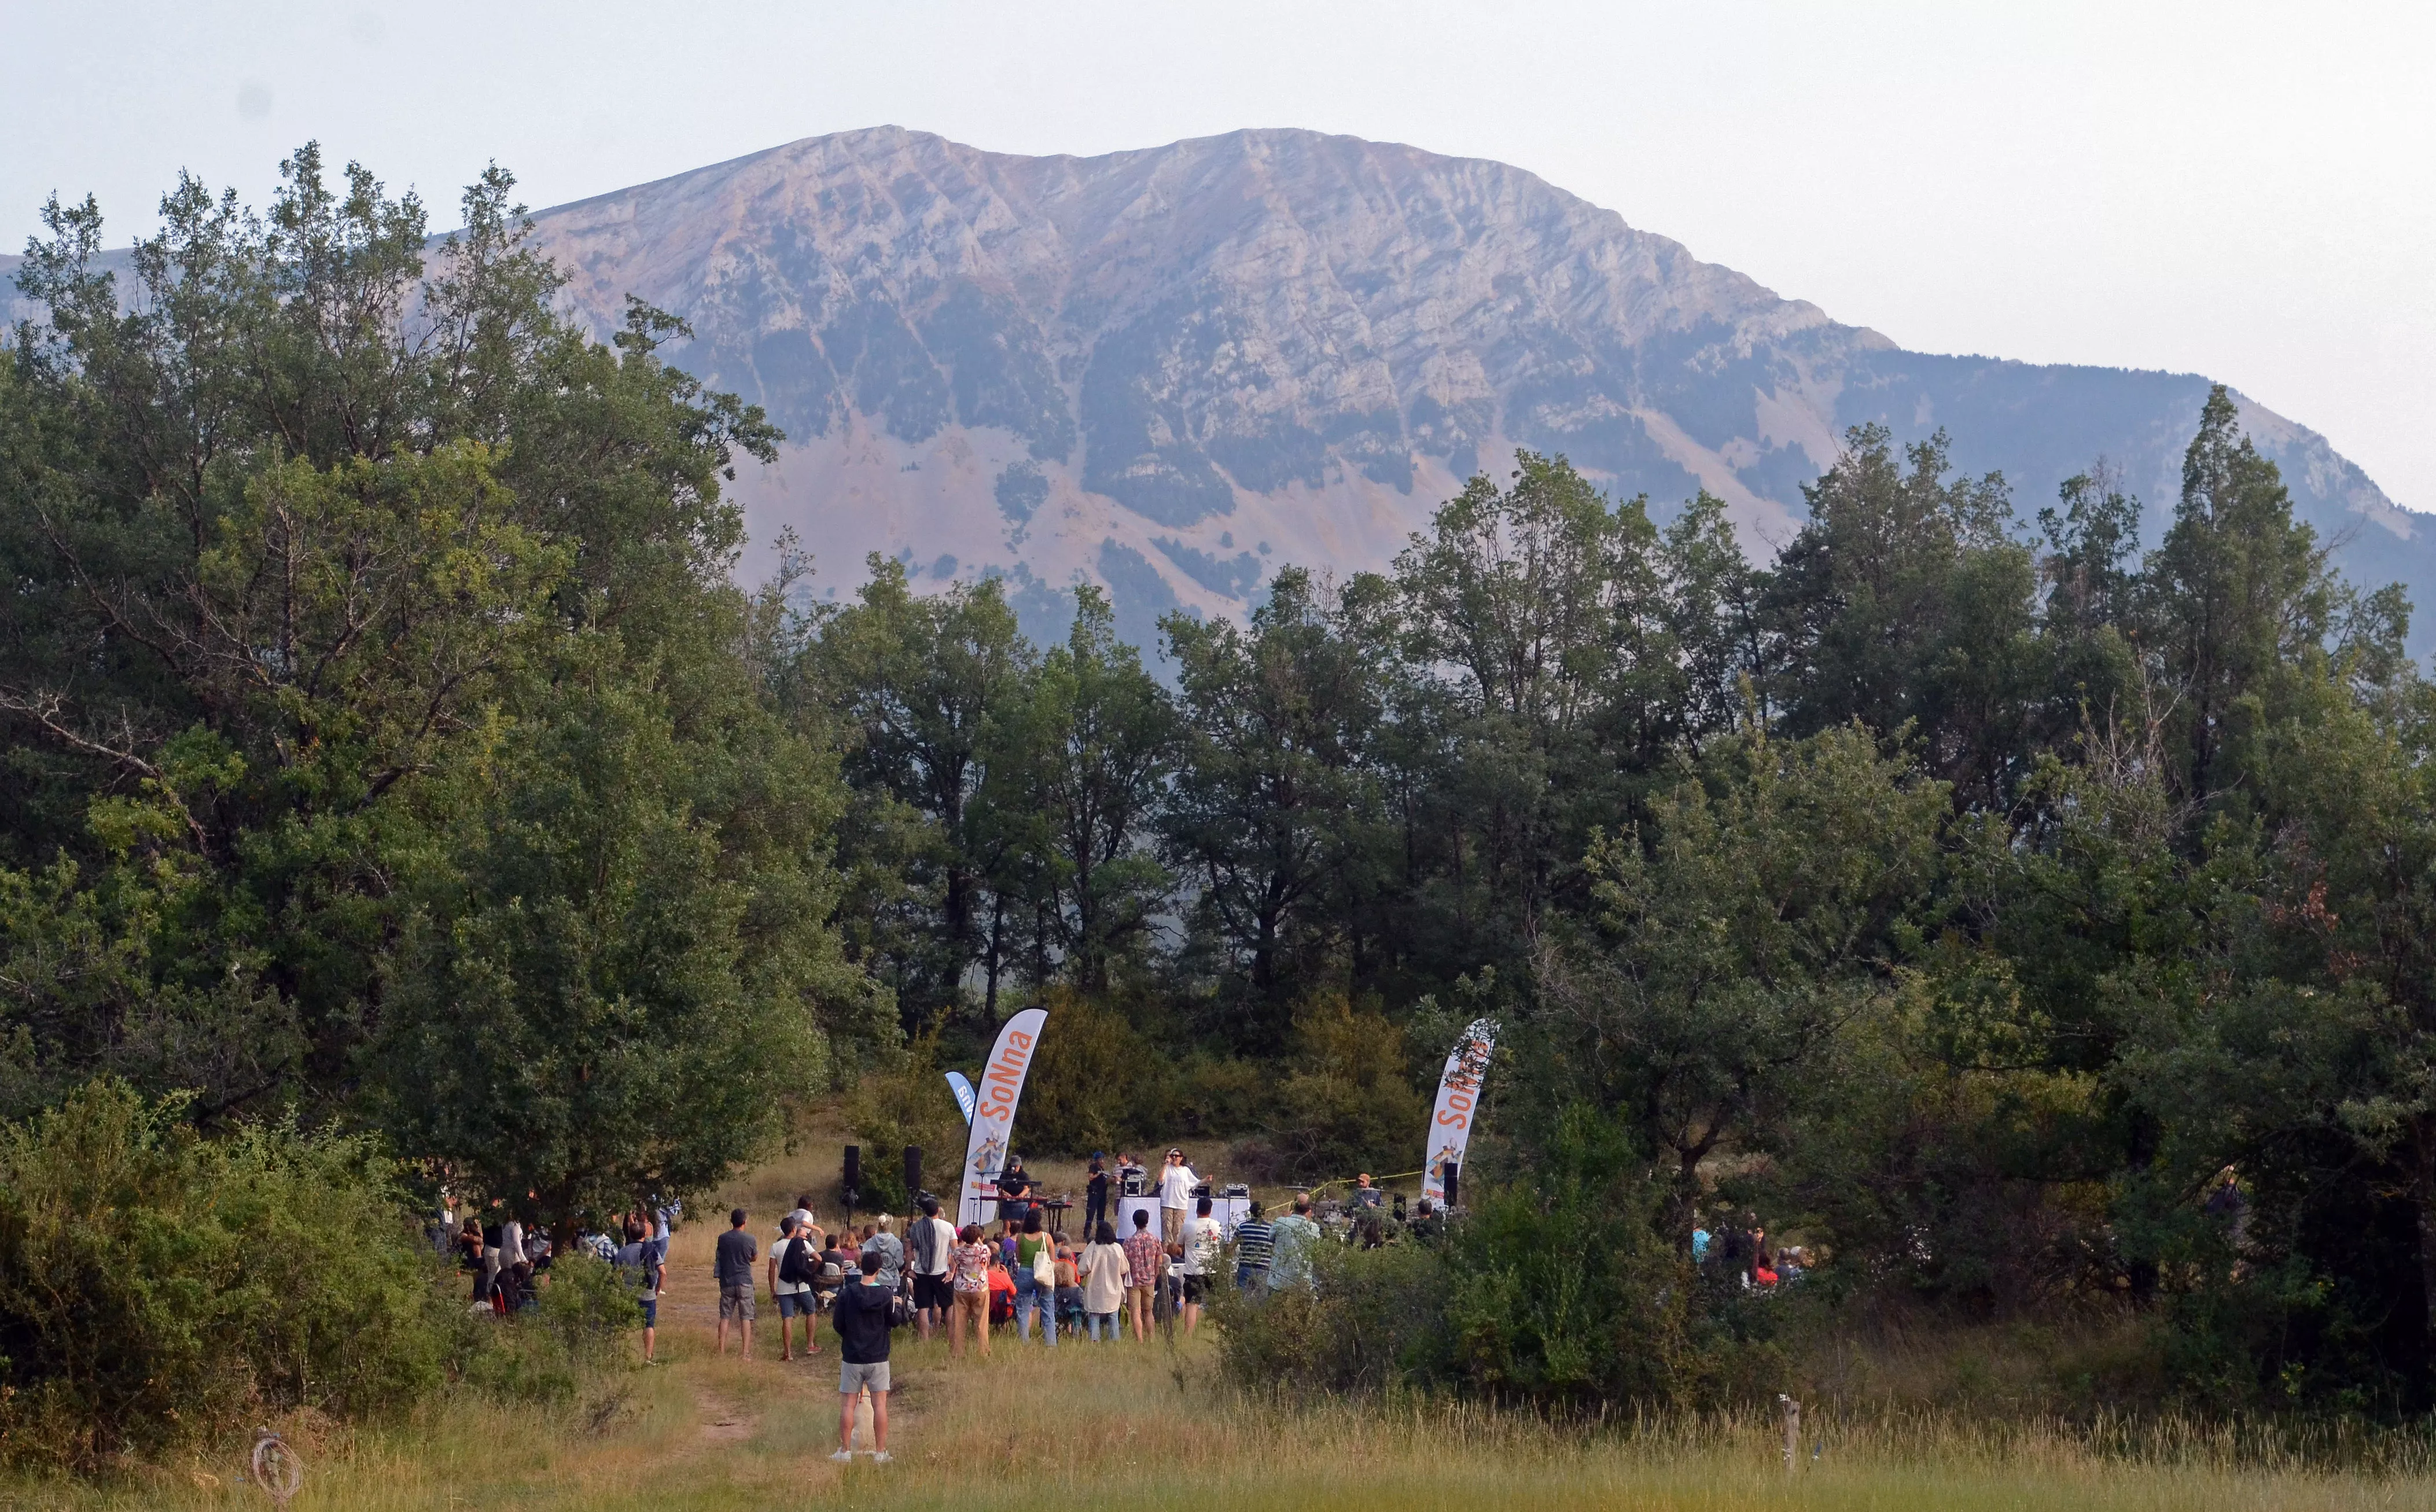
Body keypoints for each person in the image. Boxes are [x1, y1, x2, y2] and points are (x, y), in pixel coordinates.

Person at [830, 1245, 901, 1462]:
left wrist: (850, 1337)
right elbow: (895, 1322)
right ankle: (880, 1452)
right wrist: (897, 1306)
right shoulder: (886, 1294)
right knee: (880, 1406)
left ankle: (845, 1451)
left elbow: (837, 1324)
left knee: (848, 1405)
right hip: (878, 1356)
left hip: (852, 1356)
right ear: (879, 1269)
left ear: (861, 1268)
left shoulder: (847, 1293)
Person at [768, 1213, 821, 1361]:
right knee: (811, 1311)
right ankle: (810, 1345)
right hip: (801, 1285)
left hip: (784, 1286)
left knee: (787, 1317)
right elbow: (818, 1258)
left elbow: (772, 1270)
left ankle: (788, 1353)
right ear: (793, 1229)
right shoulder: (801, 1243)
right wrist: (810, 1271)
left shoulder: (775, 1246)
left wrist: (773, 1290)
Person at [614, 1219, 665, 1364]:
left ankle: (622, 1355)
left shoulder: (623, 1251)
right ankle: (648, 1357)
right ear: (644, 1234)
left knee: (623, 1324)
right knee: (649, 1325)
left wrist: (620, 1289)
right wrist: (657, 1289)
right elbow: (663, 1272)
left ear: (630, 1234)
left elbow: (618, 1272)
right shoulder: (651, 1250)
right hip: (648, 1294)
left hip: (629, 1293)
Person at [907, 1195, 956, 1340]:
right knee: (948, 1305)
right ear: (938, 1210)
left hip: (921, 1272)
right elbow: (955, 1251)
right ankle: (950, 1337)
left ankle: (925, 1340)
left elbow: (910, 1248)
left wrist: (910, 1269)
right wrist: (952, 1271)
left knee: (923, 1307)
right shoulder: (948, 1227)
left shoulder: (917, 1227)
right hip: (941, 1271)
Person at [714, 1206, 759, 1357]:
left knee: (725, 1316)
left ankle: (721, 1350)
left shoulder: (723, 1238)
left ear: (731, 1221)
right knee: (746, 1317)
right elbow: (754, 1257)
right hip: (744, 1280)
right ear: (745, 1222)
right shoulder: (750, 1239)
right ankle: (745, 1352)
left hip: (727, 1281)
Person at [948, 1223, 993, 1359]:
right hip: (980, 1287)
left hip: (961, 1288)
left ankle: (957, 1352)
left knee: (959, 1322)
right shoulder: (984, 1250)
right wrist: (979, 1239)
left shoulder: (958, 1251)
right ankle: (983, 1352)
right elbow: (987, 1251)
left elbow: (956, 1258)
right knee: (981, 1322)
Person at [1079, 1221, 1129, 1342]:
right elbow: (1124, 1269)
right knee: (1113, 1315)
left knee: (1094, 1315)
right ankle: (1114, 1341)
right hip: (1114, 1288)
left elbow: (1082, 1269)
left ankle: (1094, 1341)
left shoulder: (1092, 1247)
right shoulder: (1117, 1248)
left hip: (1095, 1288)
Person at [1013, 1210, 1057, 1345]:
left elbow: (1019, 1258)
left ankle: (1024, 1341)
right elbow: (1053, 1259)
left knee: (1023, 1309)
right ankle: (1050, 1343)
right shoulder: (1047, 1237)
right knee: (1048, 1308)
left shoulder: (1020, 1237)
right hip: (1042, 1273)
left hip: (1025, 1272)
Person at [1177, 1194, 1220, 1336]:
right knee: (1218, 1304)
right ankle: (1221, 1333)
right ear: (1211, 1210)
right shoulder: (1217, 1226)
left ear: (1197, 1210)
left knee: (1192, 1305)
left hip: (1193, 1271)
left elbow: (1179, 1247)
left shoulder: (1188, 1226)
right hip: (1212, 1270)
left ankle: (1188, 1336)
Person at [1122, 1206, 1164, 1341]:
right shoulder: (1155, 1239)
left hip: (1134, 1281)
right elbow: (1159, 1258)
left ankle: (1139, 1340)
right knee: (1148, 1311)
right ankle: (1151, 1338)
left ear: (1134, 1222)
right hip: (1150, 1279)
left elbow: (1125, 1260)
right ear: (1147, 1221)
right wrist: (1155, 1273)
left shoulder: (1129, 1241)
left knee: (1135, 1311)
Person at [1268, 1193, 1320, 1294]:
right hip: (1301, 1283)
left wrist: (1285, 1218)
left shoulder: (1281, 1222)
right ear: (1309, 1210)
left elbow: (1270, 1237)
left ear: (1293, 1207)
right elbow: (1317, 1249)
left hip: (1278, 1281)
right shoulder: (1313, 1228)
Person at [1157, 1147, 1199, 1245]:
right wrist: (1165, 1165)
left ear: (1181, 1158)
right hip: (1167, 1202)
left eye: (1177, 1156)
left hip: (1181, 1204)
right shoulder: (1167, 1168)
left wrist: (1205, 1180)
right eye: (1173, 1156)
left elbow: (1195, 1182)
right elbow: (1160, 1180)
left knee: (1178, 1229)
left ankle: (1176, 1250)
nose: (1174, 1158)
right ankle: (1167, 1250)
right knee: (1167, 1228)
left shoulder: (1186, 1170)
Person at [1231, 1202, 1275, 1292]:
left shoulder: (1242, 1227)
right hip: (1263, 1268)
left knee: (1242, 1298)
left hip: (1245, 1267)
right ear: (1264, 1213)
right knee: (1260, 1300)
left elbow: (1231, 1248)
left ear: (1250, 1212)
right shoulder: (1271, 1229)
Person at [867, 1213, 906, 1293]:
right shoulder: (896, 1243)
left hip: (874, 1281)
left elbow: (865, 1261)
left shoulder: (870, 1242)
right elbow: (900, 1263)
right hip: (891, 1281)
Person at [996, 1155, 1036, 1231]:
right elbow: (999, 1188)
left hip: (1020, 1203)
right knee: (1007, 1226)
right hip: (1007, 1203)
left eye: (1017, 1166)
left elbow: (1026, 1188)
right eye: (1014, 1166)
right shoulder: (1005, 1175)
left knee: (1022, 1225)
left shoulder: (1024, 1175)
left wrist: (1022, 1194)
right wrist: (1005, 1193)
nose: (1016, 1168)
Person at [1053, 1241, 1084, 1337]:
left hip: (1057, 1312)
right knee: (1077, 1310)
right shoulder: (1074, 1267)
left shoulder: (1054, 1265)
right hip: (1072, 1312)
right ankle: (1076, 1334)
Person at [1084, 1154, 1111, 1238]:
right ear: (1096, 1160)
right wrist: (1099, 1174)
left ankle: (1100, 1233)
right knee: (1091, 1213)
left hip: (1102, 1193)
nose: (1102, 1161)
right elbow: (1090, 1177)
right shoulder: (1094, 1166)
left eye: (1103, 1159)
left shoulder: (1102, 1168)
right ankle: (1087, 1233)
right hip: (1094, 1193)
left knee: (1101, 1214)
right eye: (1100, 1159)